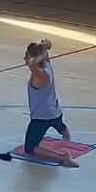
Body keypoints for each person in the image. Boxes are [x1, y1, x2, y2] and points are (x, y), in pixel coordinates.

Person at [22, 39, 78, 167]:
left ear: (33, 58)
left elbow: (31, 64)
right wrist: (45, 48)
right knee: (58, 123)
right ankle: (65, 133)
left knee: (30, 147)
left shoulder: (40, 74)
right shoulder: (47, 64)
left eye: (27, 55)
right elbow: (41, 57)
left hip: (42, 117)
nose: (24, 58)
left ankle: (63, 157)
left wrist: (42, 50)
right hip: (56, 111)